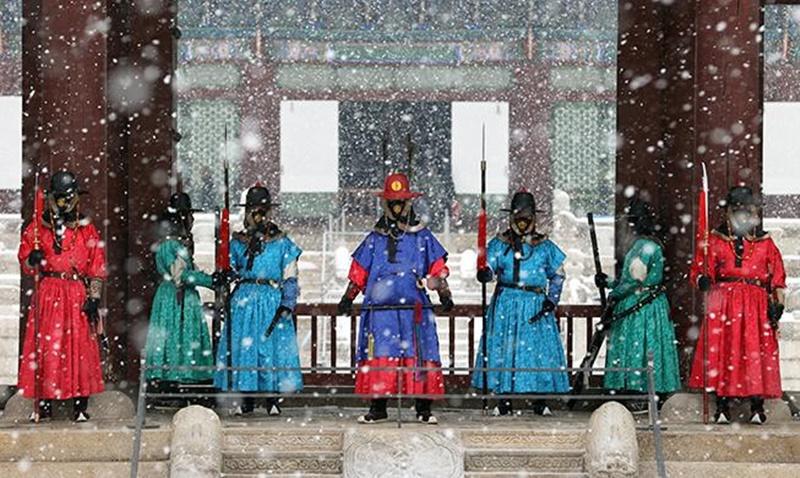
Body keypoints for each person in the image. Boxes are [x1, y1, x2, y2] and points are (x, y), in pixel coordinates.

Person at [338, 172, 454, 424]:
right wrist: (348, 297)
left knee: (420, 355)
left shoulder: (423, 237)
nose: (397, 207)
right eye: (393, 202)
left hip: (414, 309)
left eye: (401, 202)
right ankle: (378, 406)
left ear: (409, 203)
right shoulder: (374, 239)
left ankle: (423, 407)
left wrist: (443, 292)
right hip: (381, 312)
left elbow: (436, 268)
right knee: (381, 354)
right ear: (386, 205)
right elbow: (359, 272)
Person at [688, 186, 786, 424]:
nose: (742, 215)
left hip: (756, 305)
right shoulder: (715, 240)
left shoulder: (766, 243)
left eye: (747, 211)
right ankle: (721, 405)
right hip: (724, 303)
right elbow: (702, 270)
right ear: (729, 212)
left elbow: (778, 278)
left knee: (754, 351)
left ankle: (756, 405)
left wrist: (778, 305)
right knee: (724, 350)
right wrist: (701, 279)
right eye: (737, 210)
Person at [18, 170, 106, 422]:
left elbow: (97, 265)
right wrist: (31, 259)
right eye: (59, 198)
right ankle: (44, 401)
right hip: (49, 292)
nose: (64, 204)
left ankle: (80, 404)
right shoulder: (38, 229)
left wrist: (94, 297)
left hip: (76, 291)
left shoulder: (86, 229)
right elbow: (26, 260)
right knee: (48, 347)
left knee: (79, 347)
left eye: (68, 198)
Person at [472, 191, 569, 417]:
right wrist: (486, 273)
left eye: (527, 218)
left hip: (536, 303)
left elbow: (557, 275)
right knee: (503, 349)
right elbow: (491, 267)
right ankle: (503, 399)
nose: (522, 223)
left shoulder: (545, 246)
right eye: (519, 218)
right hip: (506, 302)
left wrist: (551, 299)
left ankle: (540, 400)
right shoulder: (499, 244)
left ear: (534, 218)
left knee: (538, 352)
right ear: (511, 218)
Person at [214, 185, 303, 416]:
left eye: (261, 210)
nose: (258, 215)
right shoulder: (238, 242)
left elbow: (290, 275)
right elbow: (232, 268)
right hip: (243, 300)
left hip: (270, 300)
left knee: (270, 350)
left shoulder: (282, 243)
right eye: (253, 210)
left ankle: (272, 399)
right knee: (246, 350)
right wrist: (225, 275)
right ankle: (246, 400)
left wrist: (288, 302)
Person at [595, 197, 681, 409]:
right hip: (650, 304)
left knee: (639, 347)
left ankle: (638, 391)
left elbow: (634, 281)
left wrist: (615, 292)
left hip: (641, 306)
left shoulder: (643, 247)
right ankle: (653, 390)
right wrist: (608, 283)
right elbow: (631, 279)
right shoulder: (650, 245)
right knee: (650, 347)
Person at [144, 193, 225, 387]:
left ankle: (179, 379)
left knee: (179, 336)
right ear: (182, 217)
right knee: (177, 336)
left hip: (178, 297)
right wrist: (210, 279)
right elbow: (181, 276)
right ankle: (176, 379)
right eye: (189, 215)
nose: (192, 220)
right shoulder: (171, 245)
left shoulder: (175, 243)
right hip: (174, 297)